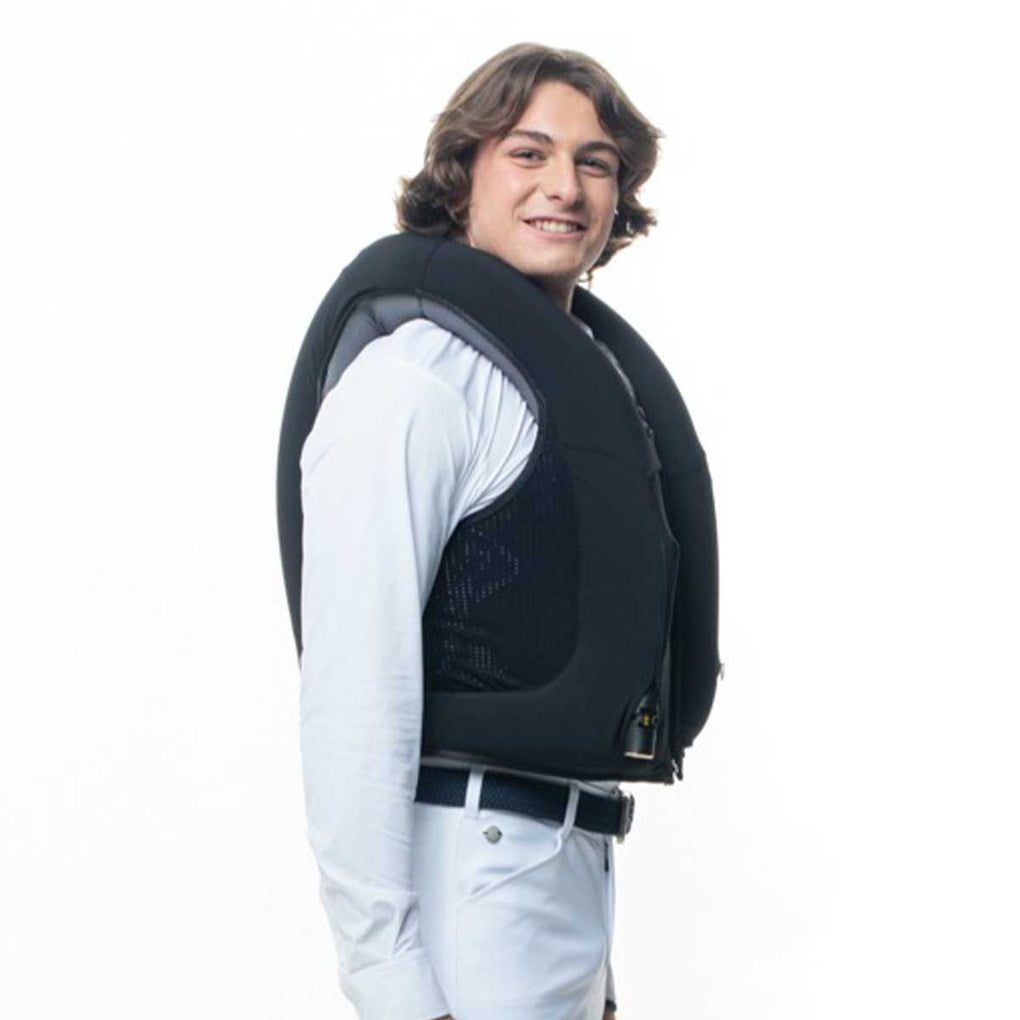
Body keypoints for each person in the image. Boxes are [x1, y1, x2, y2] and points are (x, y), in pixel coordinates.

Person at [297, 43, 675, 1019]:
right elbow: (354, 690)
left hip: (567, 867)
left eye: (595, 163)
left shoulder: (588, 387)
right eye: (528, 153)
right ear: (462, 173)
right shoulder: (413, 386)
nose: (566, 187)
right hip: (473, 869)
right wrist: (390, 981)